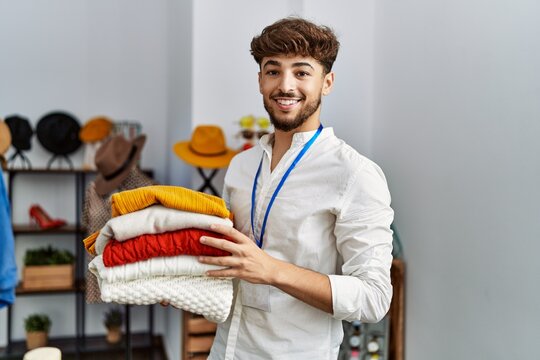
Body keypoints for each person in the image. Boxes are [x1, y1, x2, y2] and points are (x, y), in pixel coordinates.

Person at [198, 17, 394, 359]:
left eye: (302, 72)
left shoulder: (355, 174)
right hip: (226, 350)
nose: (285, 85)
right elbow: (231, 260)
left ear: (327, 82)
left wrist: (273, 270)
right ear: (260, 80)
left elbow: (374, 297)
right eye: (273, 71)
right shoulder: (240, 167)